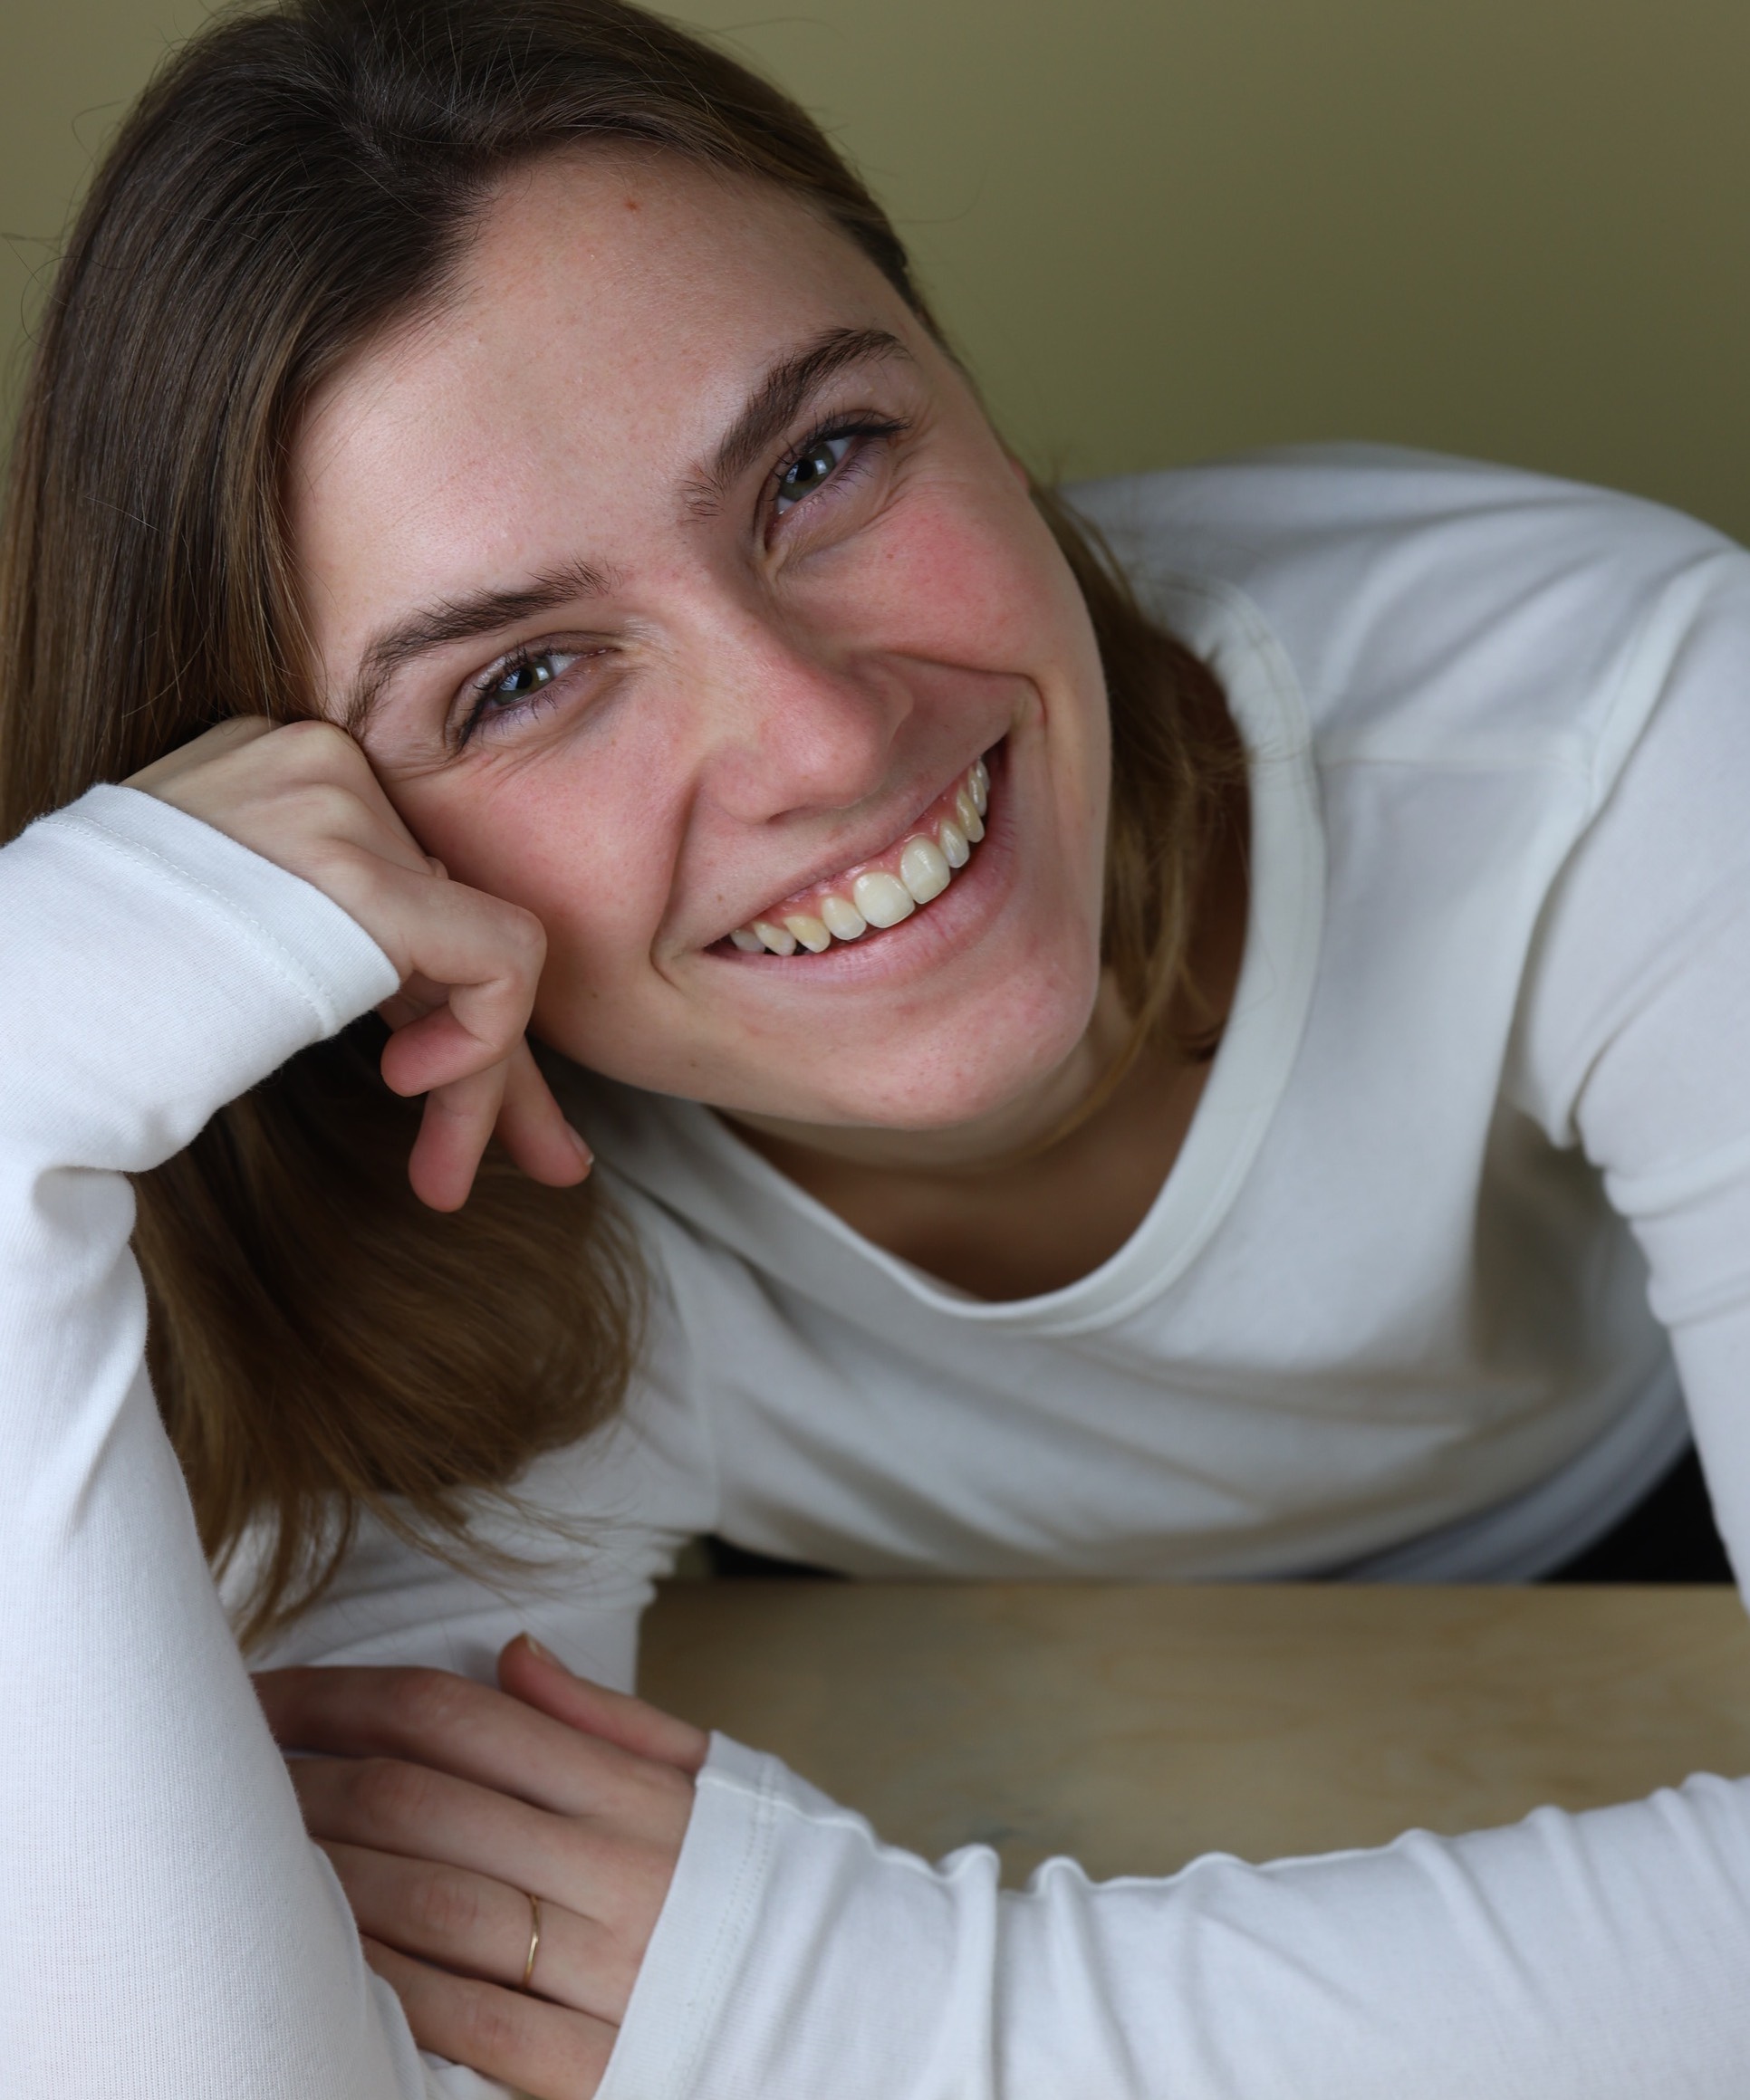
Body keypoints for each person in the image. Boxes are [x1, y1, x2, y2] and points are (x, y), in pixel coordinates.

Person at [5, 0, 1750, 2092]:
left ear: (967, 394)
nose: (823, 737)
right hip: (891, 1632)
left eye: (819, 462)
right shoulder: (441, 1172)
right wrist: (16, 1090)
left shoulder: (1625, 731)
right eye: (525, 676)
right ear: (322, 848)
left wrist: (923, 2016)